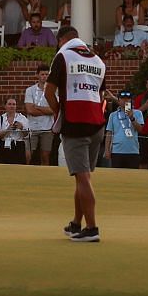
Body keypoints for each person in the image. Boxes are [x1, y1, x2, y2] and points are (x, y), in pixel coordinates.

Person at [48, 27, 109, 242]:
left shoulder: (63, 55)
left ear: (61, 39)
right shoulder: (98, 61)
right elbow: (101, 95)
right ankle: (76, 223)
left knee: (82, 178)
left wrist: (58, 113)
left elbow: (48, 91)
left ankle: (92, 228)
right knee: (83, 177)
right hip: (97, 124)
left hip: (74, 123)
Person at [104, 90, 143, 168]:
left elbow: (140, 129)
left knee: (133, 175)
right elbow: (109, 133)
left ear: (131, 100)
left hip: (133, 151)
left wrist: (132, 118)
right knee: (117, 175)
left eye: (128, 98)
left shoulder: (138, 113)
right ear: (118, 100)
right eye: (123, 98)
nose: (125, 100)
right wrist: (107, 150)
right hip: (117, 151)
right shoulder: (113, 115)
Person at [0, 96, 31, 162]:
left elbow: (28, 135)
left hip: (19, 145)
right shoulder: (0, 118)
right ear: (5, 106)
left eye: (14, 104)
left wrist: (21, 127)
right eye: (9, 104)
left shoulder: (22, 118)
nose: (12, 106)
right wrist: (8, 130)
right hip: (4, 145)